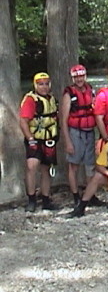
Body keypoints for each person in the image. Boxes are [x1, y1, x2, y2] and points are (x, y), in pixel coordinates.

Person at [20, 72, 59, 212]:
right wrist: (30, 138)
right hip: (34, 139)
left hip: (49, 140)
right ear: (35, 85)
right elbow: (24, 121)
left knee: (46, 169)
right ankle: (31, 199)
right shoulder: (31, 100)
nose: (44, 87)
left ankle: (46, 199)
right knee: (32, 166)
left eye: (46, 84)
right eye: (41, 84)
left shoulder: (52, 99)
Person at [60, 64, 97, 207]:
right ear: (73, 78)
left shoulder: (90, 90)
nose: (79, 79)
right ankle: (75, 196)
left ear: (85, 76)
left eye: (81, 76)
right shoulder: (69, 93)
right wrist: (68, 141)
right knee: (74, 166)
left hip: (89, 131)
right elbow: (63, 120)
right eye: (76, 77)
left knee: (90, 165)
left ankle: (90, 195)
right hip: (75, 132)